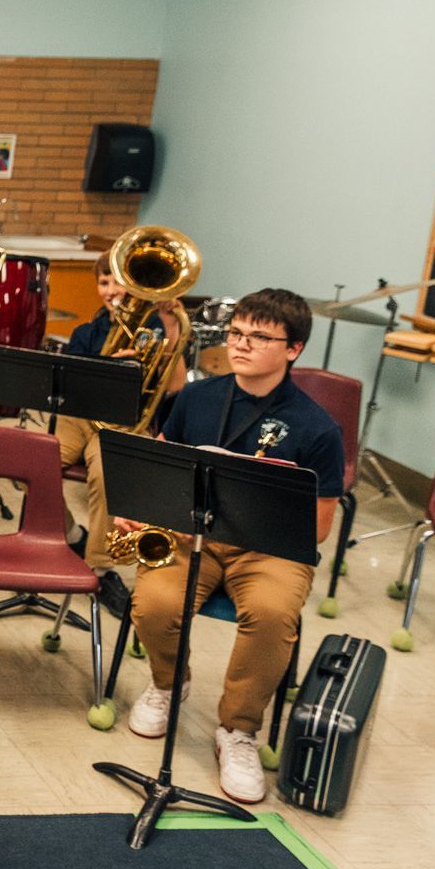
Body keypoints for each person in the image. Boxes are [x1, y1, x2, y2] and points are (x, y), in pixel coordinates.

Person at [119, 289, 344, 806]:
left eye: (259, 337)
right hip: (192, 533)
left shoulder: (317, 427)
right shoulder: (195, 400)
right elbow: (161, 465)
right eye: (236, 333)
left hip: (269, 549)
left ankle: (238, 730)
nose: (241, 345)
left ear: (294, 349)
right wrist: (140, 503)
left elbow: (320, 527)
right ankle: (169, 684)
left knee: (270, 615)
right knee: (153, 605)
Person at [55, 250, 185, 595]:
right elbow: (68, 385)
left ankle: (98, 565)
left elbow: (175, 388)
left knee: (104, 475)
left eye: (118, 281)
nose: (111, 290)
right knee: (35, 464)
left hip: (124, 423)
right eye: (103, 281)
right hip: (79, 416)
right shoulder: (86, 331)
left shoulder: (157, 331)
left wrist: (172, 324)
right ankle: (70, 534)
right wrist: (108, 370)